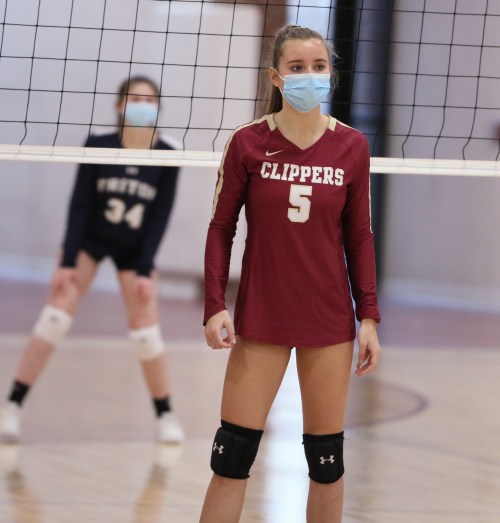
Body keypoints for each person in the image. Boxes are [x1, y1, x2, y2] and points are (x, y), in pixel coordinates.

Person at [199, 25, 382, 523]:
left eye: (318, 67)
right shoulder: (247, 143)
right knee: (232, 457)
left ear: (331, 74)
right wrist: (214, 305)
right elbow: (220, 228)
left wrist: (368, 316)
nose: (309, 76)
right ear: (276, 77)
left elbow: (360, 237)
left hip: (328, 321)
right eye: (297, 67)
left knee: (326, 464)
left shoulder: (352, 147)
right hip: (263, 317)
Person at [0, 76, 184, 444]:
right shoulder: (98, 143)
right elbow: (80, 204)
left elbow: (160, 216)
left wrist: (145, 268)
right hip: (90, 241)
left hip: (134, 249)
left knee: (145, 332)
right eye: (135, 98)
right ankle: (12, 406)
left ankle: (165, 415)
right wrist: (68, 261)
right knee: (55, 317)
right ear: (119, 106)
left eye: (149, 99)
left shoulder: (169, 151)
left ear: (159, 106)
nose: (143, 105)